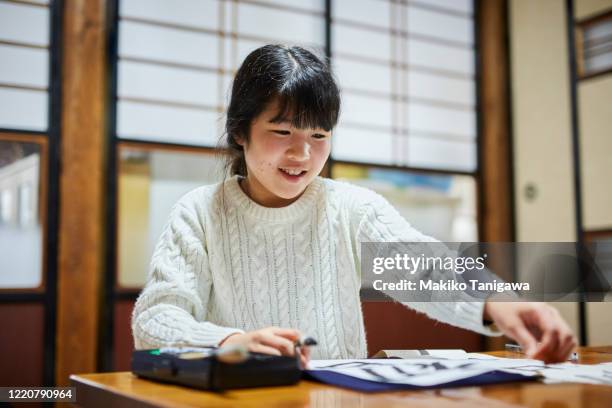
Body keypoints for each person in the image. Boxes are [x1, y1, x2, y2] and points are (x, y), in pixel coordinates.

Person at [132, 44, 576, 366]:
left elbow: (424, 265)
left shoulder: (350, 207)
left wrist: (499, 301)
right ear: (239, 132)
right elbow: (155, 318)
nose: (302, 155)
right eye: (283, 132)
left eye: (319, 136)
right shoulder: (200, 212)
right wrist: (232, 340)